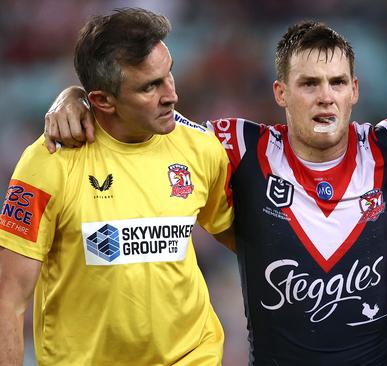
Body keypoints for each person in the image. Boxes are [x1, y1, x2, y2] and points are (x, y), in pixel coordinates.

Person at [43, 20, 387, 365]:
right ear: (280, 93)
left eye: (337, 82)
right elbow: (145, 113)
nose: (325, 97)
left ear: (355, 90)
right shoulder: (236, 147)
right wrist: (75, 96)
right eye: (309, 83)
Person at [0, 8, 233, 366]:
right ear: (103, 100)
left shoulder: (201, 149)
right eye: (150, 86)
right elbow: (9, 296)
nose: (171, 94)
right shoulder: (48, 163)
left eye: (168, 74)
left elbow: (249, 240)